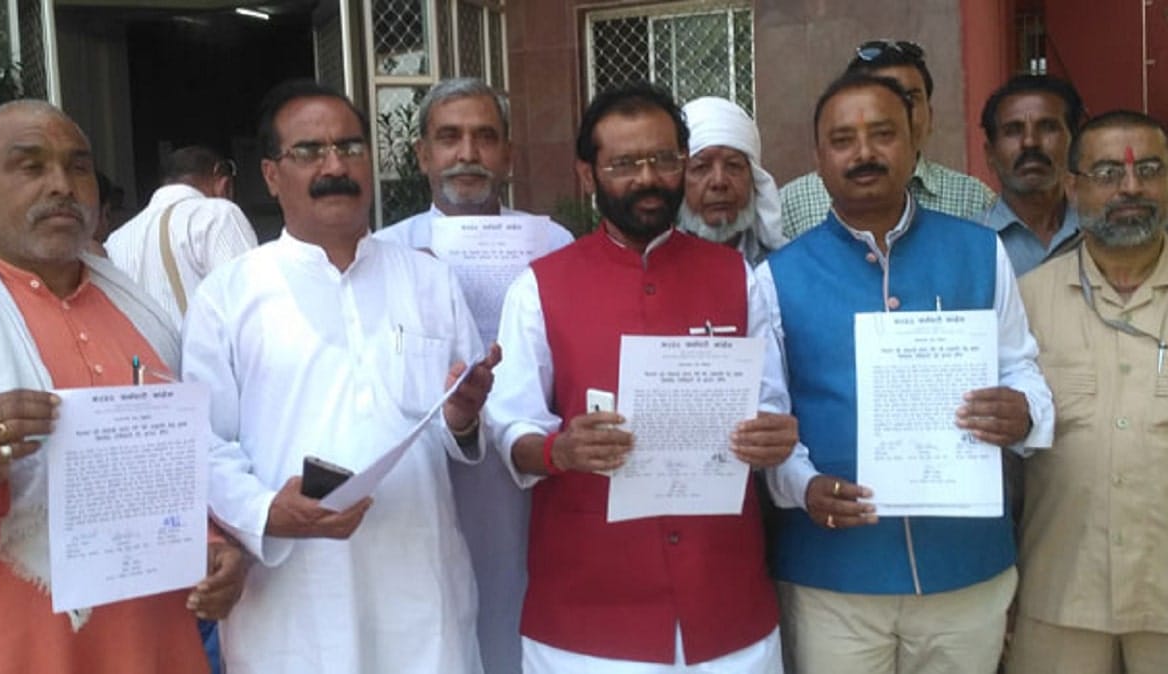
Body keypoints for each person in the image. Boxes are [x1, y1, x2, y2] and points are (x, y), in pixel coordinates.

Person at [183, 80, 500, 674]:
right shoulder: (229, 295)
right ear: (272, 175)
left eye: (350, 148)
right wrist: (264, 512)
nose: (335, 167)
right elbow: (203, 441)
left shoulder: (429, 280)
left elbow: (458, 426)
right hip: (295, 601)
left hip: (422, 591)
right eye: (309, 151)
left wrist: (462, 418)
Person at [488, 81, 798, 673]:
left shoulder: (737, 277)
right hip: (588, 620)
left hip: (724, 608)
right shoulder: (540, 286)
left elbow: (770, 407)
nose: (648, 178)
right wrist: (560, 450)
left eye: (664, 159)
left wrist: (773, 437)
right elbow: (510, 429)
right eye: (625, 164)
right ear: (588, 174)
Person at [764, 73, 1053, 674]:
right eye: (842, 139)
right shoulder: (777, 276)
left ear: (915, 140)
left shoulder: (980, 251)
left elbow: (1020, 366)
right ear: (818, 157)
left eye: (883, 133)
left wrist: (1023, 410)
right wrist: (803, 486)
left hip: (964, 564)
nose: (864, 153)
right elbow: (770, 414)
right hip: (835, 570)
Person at [0, 99, 246, 673]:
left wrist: (214, 543)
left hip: (158, 644)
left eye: (78, 167)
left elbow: (179, 462)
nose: (61, 185)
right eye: (30, 166)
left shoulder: (140, 311)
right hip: (15, 649)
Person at [375, 76, 572, 674]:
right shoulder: (386, 254)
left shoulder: (555, 244)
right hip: (431, 484)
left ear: (508, 154)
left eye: (485, 137)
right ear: (422, 155)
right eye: (449, 138)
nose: (468, 153)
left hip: (534, 477)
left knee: (525, 619)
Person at [1009, 110, 1168, 674]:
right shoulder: (1025, 302)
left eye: (1149, 170)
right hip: (1059, 597)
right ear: (1072, 187)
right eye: (1107, 173)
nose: (1130, 187)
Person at [779, 39, 995, 239]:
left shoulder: (973, 199)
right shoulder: (793, 203)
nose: (866, 153)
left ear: (930, 115)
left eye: (910, 98)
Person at [106, 145, 257, 326]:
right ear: (224, 184)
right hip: (197, 345)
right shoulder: (218, 214)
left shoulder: (115, 240)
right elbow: (249, 306)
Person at [978, 74, 1086, 276]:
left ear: (1074, 145)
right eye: (1013, 130)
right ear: (990, 154)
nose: (1030, 142)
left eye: (1047, 127)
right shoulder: (966, 245)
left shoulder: (1102, 232)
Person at [678, 96, 787, 265]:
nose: (719, 182)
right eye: (701, 167)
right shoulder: (654, 266)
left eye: (733, 166)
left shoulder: (781, 267)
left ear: (754, 179)